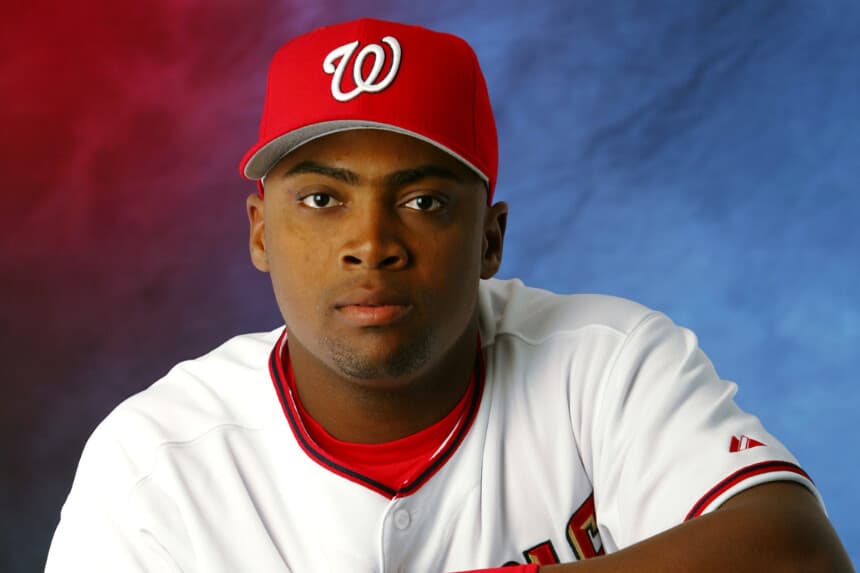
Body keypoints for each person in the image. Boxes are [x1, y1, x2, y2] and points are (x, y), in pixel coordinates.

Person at [46, 17, 852, 573]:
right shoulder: (155, 459)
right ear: (260, 230)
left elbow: (794, 554)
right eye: (324, 199)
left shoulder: (606, 365)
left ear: (490, 240)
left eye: (424, 200)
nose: (372, 242)